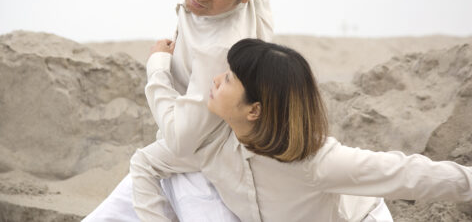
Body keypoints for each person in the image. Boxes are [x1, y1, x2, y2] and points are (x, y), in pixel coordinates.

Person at [131, 38, 472, 222]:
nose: (216, 79)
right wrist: (158, 67)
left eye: (230, 78)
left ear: (255, 110)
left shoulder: (318, 161)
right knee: (183, 178)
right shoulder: (211, 140)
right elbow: (148, 158)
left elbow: (410, 174)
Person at [83, 0, 272, 220]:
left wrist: (157, 67)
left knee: (142, 168)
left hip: (207, 171)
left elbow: (182, 141)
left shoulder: (221, 49)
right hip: (192, 151)